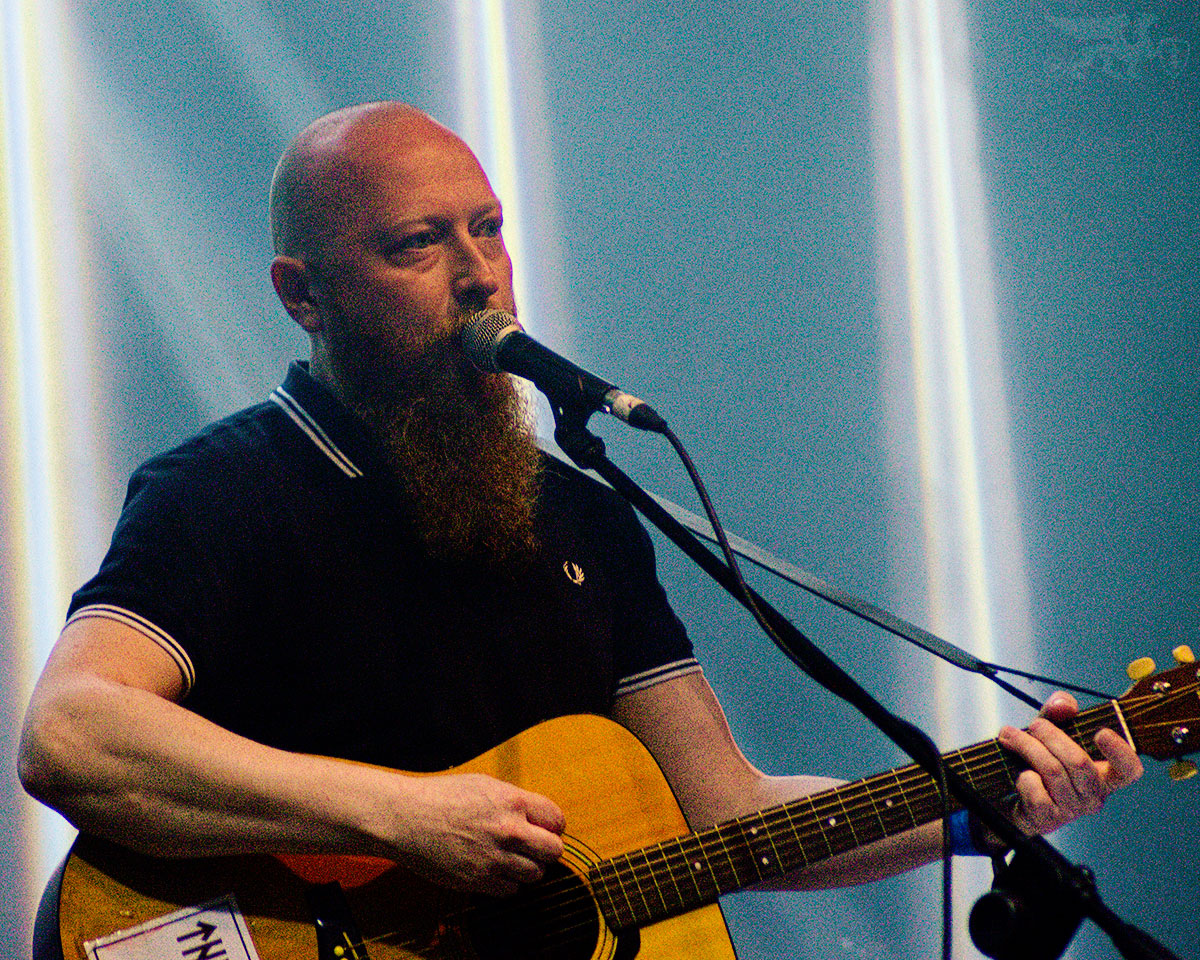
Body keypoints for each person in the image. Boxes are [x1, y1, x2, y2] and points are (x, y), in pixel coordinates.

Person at [19, 102, 1142, 913]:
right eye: (418, 243)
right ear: (303, 294)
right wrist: (399, 816)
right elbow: (72, 734)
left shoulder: (583, 516)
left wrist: (977, 811)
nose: (479, 273)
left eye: (488, 227)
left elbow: (724, 812)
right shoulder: (227, 488)